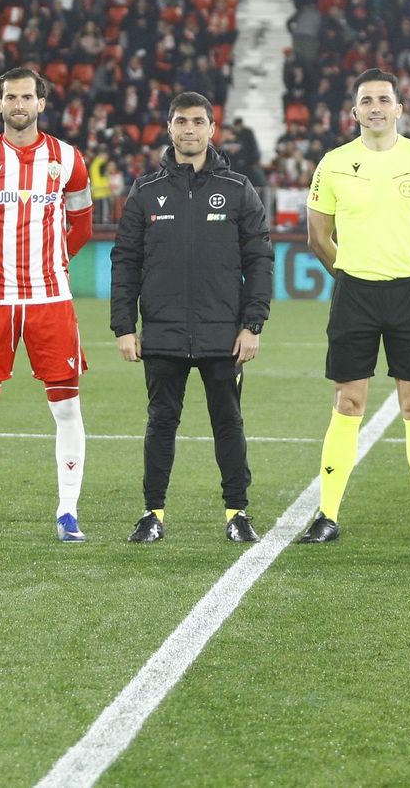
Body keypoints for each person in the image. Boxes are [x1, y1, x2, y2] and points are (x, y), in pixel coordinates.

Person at [298, 68, 410, 544]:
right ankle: (327, 515)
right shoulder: (332, 163)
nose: (375, 106)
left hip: (409, 293)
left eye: (383, 99)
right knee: (348, 403)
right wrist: (350, 272)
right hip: (355, 295)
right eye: (366, 99)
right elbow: (318, 236)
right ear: (354, 112)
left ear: (398, 109)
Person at [111, 92, 274, 543]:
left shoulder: (238, 189)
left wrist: (252, 324)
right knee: (161, 421)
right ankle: (152, 513)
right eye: (181, 122)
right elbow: (124, 260)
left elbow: (259, 259)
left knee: (228, 422)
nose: (189, 130)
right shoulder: (146, 191)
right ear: (169, 128)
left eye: (198, 122)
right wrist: (125, 326)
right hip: (161, 333)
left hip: (224, 333)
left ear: (211, 129)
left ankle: (237, 513)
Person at [0, 67, 95, 542]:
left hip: (51, 299)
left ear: (41, 103)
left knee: (67, 409)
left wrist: (47, 263)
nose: (18, 104)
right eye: (10, 97)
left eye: (27, 97)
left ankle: (68, 512)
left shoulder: (69, 159)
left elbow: (83, 226)